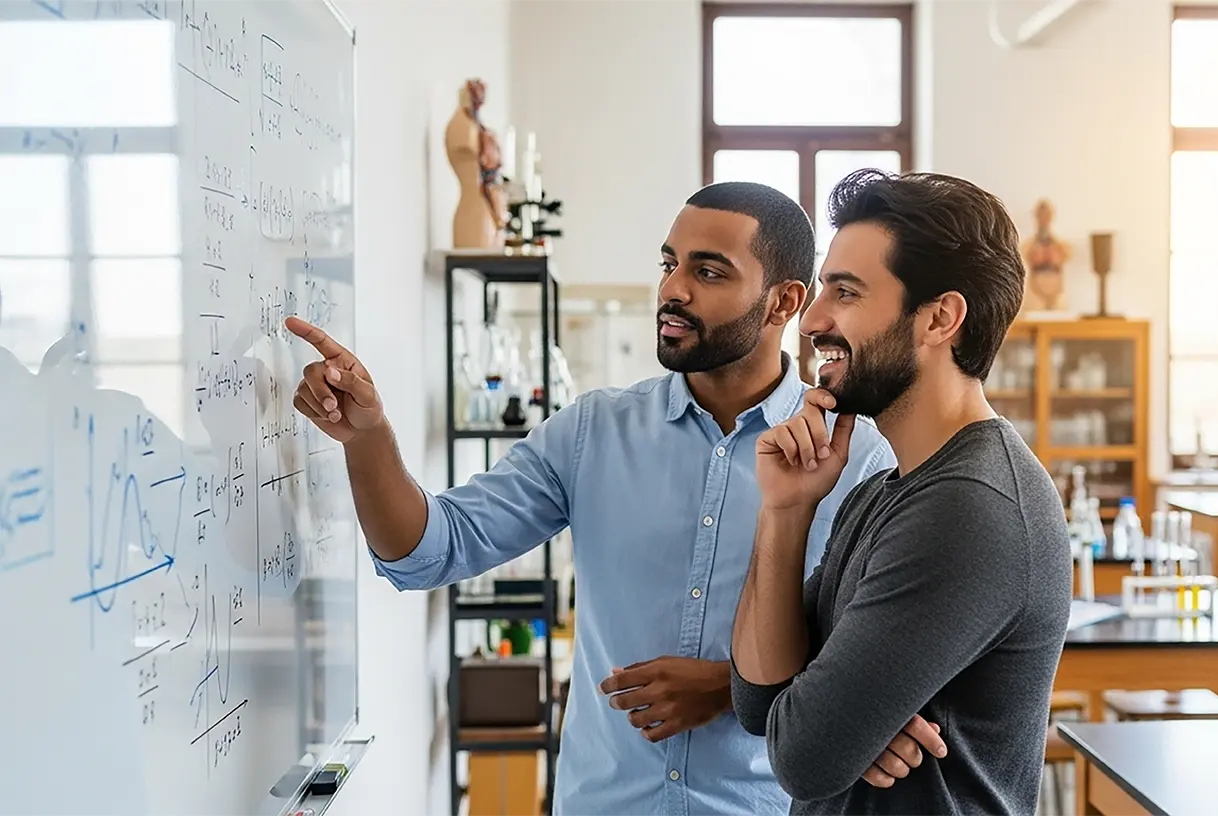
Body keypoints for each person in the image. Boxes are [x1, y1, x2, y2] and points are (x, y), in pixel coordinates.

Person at [284, 181, 898, 815]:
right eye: (669, 264)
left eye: (708, 271)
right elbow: (428, 552)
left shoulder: (860, 460)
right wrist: (368, 441)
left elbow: (876, 664)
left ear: (783, 303)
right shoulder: (590, 434)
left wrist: (731, 688)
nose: (673, 290)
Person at [730, 169, 1072, 814]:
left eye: (847, 292)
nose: (813, 320)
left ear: (939, 318)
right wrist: (785, 511)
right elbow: (757, 701)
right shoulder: (886, 489)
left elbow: (801, 754)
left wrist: (824, 711)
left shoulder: (970, 505)